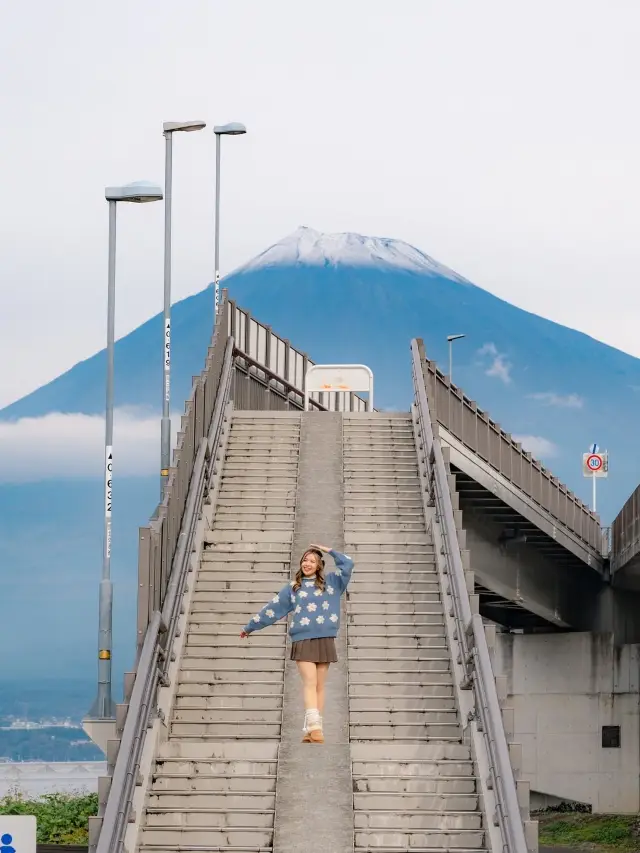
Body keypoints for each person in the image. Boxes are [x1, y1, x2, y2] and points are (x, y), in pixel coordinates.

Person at [241, 543, 354, 743]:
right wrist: (251, 626)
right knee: (310, 683)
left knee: (319, 685)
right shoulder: (294, 587)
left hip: (325, 638)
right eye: (305, 560)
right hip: (303, 638)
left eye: (312, 561)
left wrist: (328, 550)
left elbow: (348, 563)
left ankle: (313, 730)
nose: (307, 564)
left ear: (319, 565)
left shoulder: (333, 582)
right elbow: (272, 609)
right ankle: (314, 727)